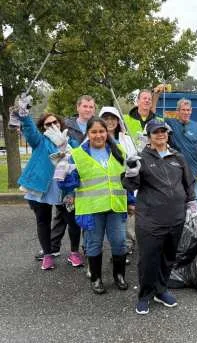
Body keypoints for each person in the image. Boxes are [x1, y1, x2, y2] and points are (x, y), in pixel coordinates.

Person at [122, 119, 197, 315]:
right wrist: (130, 172)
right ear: (149, 136)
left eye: (163, 131)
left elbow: (188, 182)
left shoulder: (177, 157)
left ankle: (161, 290)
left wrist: (192, 203)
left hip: (176, 218)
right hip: (150, 220)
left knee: (168, 257)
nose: (161, 134)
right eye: (156, 132)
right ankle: (145, 295)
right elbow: (131, 186)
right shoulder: (140, 158)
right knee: (148, 260)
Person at [59, 118, 132, 294]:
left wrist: (131, 201)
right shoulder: (77, 155)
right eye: (94, 132)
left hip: (116, 206)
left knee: (120, 243)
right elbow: (66, 185)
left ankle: (119, 276)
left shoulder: (118, 151)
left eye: (102, 131)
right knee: (93, 244)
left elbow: (125, 181)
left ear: (107, 133)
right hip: (91, 208)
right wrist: (66, 175)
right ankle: (96, 278)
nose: (98, 135)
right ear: (88, 134)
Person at [14, 105, 83, 270]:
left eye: (55, 122)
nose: (53, 125)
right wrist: (24, 116)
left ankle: (74, 252)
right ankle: (47, 255)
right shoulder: (39, 140)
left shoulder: (70, 140)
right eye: (48, 124)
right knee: (42, 221)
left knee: (72, 221)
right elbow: (29, 131)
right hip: (41, 189)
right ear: (43, 128)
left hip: (64, 189)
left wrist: (65, 146)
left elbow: (79, 160)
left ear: (60, 123)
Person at [35, 95, 95, 261]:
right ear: (78, 108)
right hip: (66, 177)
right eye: (85, 106)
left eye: (91, 107)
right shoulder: (67, 125)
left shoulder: (95, 124)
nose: (88, 109)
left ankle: (85, 247)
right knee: (63, 214)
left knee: (82, 212)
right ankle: (52, 247)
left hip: (86, 174)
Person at [99, 107, 137, 255]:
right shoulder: (93, 138)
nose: (109, 121)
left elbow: (133, 160)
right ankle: (93, 251)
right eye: (106, 118)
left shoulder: (126, 139)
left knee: (126, 220)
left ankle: (126, 247)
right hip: (100, 189)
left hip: (123, 187)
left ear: (118, 121)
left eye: (113, 118)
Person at [162, 97, 197, 203]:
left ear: (191, 111)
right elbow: (153, 116)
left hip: (194, 173)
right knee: (177, 203)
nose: (186, 112)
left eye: (188, 110)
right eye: (183, 110)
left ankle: (194, 219)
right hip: (175, 172)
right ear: (177, 111)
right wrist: (156, 94)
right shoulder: (169, 123)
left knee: (194, 203)